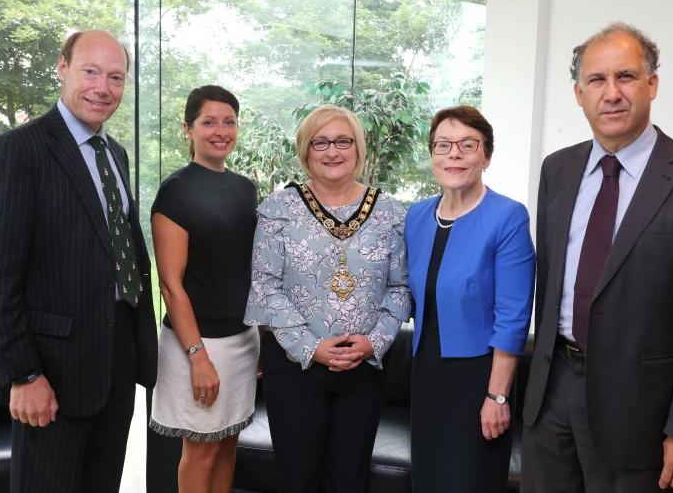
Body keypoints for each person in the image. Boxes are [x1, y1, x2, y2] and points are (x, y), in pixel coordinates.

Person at [521, 22, 673, 492]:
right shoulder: (557, 170)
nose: (612, 93)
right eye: (597, 81)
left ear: (652, 84)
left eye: (625, 76)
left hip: (642, 412)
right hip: (551, 395)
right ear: (579, 94)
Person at [0, 30, 158, 492]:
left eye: (115, 77)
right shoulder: (16, 152)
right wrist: (24, 374)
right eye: (90, 72)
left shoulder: (114, 153)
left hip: (116, 362)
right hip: (51, 372)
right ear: (62, 69)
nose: (103, 87)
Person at [243, 104, 410, 493]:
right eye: (320, 142)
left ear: (358, 149)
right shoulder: (277, 209)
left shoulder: (390, 213)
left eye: (342, 141)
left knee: (349, 479)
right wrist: (311, 346)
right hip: (295, 367)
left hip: (363, 367)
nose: (332, 151)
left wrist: (374, 342)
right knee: (297, 479)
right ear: (305, 151)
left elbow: (401, 287)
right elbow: (266, 285)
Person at [405, 106, 535, 492]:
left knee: (470, 481)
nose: (454, 154)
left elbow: (513, 317)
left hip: (478, 377)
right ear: (432, 156)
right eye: (443, 145)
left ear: (487, 156)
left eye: (467, 144)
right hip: (425, 371)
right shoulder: (416, 215)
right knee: (428, 481)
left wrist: (497, 395)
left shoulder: (508, 217)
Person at [149, 85, 259, 493]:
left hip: (243, 343)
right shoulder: (176, 190)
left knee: (229, 442)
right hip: (196, 344)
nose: (221, 130)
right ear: (188, 129)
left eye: (229, 121)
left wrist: (259, 335)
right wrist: (198, 357)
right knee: (200, 452)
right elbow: (170, 285)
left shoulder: (245, 188)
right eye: (209, 121)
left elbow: (246, 270)